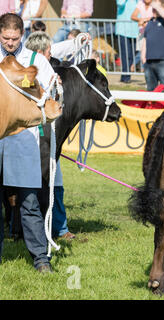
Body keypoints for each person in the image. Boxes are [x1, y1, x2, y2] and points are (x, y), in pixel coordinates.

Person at [0, 13, 57, 272]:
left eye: (14, 38)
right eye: (5, 38)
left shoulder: (36, 61)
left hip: (24, 138)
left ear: (22, 35)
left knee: (29, 201)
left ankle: (40, 258)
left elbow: (51, 95)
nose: (10, 43)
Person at [24, 31, 76, 240]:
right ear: (39, 53)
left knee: (56, 181)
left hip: (48, 133)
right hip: (34, 133)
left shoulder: (46, 68)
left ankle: (60, 227)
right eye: (48, 52)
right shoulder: (28, 72)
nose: (51, 55)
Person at [140, 0, 164, 91]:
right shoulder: (149, 23)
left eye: (156, 8)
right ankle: (152, 106)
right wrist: (143, 56)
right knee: (150, 89)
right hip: (149, 61)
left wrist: (157, 5)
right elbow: (145, 40)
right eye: (153, 8)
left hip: (163, 61)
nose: (154, 10)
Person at [116, 0, 139, 84]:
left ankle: (125, 75)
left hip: (135, 30)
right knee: (125, 54)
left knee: (132, 55)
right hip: (123, 29)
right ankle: (126, 76)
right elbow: (120, 4)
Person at [131, 0, 154, 72]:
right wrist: (141, 19)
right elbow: (133, 16)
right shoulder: (140, 3)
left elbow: (157, 16)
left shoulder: (155, 3)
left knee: (150, 51)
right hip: (142, 31)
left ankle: (143, 68)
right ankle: (140, 67)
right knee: (141, 51)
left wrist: (147, 20)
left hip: (153, 31)